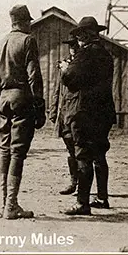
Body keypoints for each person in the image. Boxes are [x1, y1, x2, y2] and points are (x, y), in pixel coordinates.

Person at [0, 4, 46, 219]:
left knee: (4, 150)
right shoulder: (27, 40)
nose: (30, 24)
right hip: (21, 97)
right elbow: (34, 76)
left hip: (3, 98)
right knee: (18, 151)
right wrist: (39, 105)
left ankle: (4, 203)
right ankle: (11, 205)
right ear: (24, 22)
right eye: (29, 21)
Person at [60, 16, 116, 215]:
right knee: (99, 156)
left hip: (84, 112)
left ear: (84, 35)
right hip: (103, 113)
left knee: (82, 155)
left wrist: (65, 69)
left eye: (79, 35)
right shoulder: (106, 55)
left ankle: (82, 203)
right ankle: (102, 198)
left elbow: (70, 79)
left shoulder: (84, 55)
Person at [49, 35, 79, 195]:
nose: (73, 48)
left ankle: (82, 184)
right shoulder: (63, 64)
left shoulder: (80, 64)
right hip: (64, 112)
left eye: (75, 44)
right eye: (70, 45)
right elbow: (56, 89)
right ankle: (73, 181)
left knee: (80, 150)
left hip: (76, 112)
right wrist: (53, 110)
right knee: (70, 149)